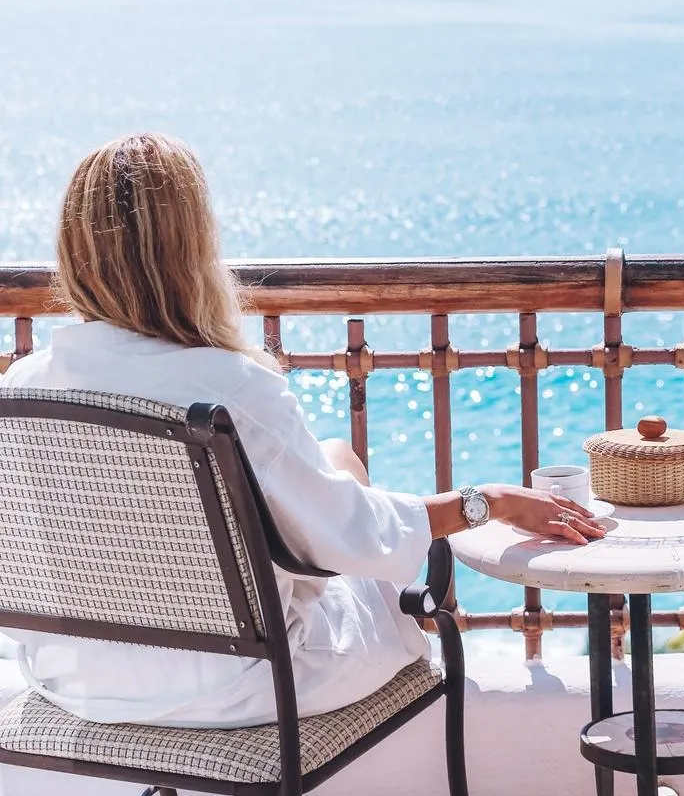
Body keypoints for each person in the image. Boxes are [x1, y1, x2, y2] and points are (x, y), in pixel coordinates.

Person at [0, 133, 604, 728]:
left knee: (335, 462)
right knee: (366, 540)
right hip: (240, 684)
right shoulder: (229, 388)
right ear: (191, 250)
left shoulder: (23, 388)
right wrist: (488, 502)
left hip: (74, 679)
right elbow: (354, 535)